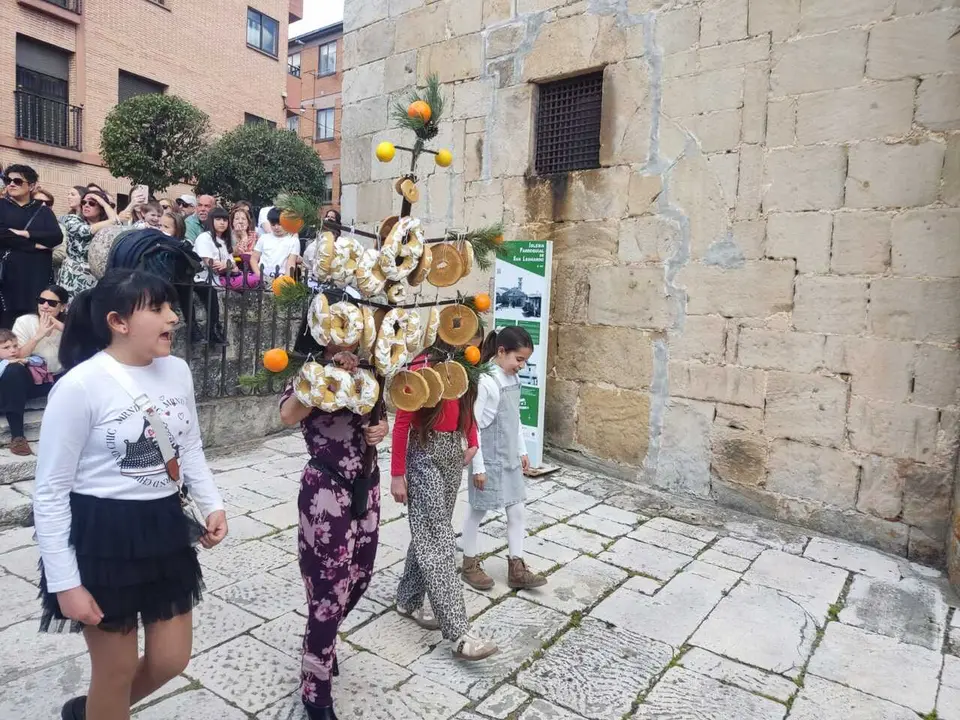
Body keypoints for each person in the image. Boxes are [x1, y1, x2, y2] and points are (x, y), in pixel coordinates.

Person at [33, 269, 228, 720]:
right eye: (158, 309)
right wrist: (66, 583)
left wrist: (211, 502)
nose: (174, 318)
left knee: (170, 660)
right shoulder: (79, 386)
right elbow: (50, 491)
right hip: (102, 537)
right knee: (115, 669)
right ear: (118, 322)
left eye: (171, 307)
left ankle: (94, 712)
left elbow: (190, 446)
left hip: (163, 527)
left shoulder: (176, 370)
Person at [279, 343, 388, 720]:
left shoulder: (372, 372)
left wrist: (380, 429)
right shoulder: (307, 372)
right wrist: (326, 373)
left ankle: (318, 642)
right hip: (325, 489)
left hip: (367, 485)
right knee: (328, 588)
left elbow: (379, 417)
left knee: (359, 577)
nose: (349, 342)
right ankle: (316, 687)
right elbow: (288, 415)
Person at [390, 354, 499, 660]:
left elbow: (468, 407)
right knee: (438, 538)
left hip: (452, 451)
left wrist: (472, 439)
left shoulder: (465, 365)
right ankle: (459, 633)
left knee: (427, 529)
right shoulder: (420, 366)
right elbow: (401, 424)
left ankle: (408, 600)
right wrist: (397, 474)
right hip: (424, 452)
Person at [461, 327, 546, 591]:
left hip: (508, 457)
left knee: (517, 510)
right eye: (518, 359)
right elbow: (472, 426)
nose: (521, 365)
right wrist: (478, 468)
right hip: (486, 459)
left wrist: (522, 450)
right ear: (501, 352)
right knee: (478, 510)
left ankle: (516, 565)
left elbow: (515, 419)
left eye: (525, 360)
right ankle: (469, 563)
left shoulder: (513, 379)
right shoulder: (487, 381)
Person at [0, 165, 63, 329]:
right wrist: (34, 244)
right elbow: (2, 234)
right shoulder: (1, 206)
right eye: (8, 180)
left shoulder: (42, 211)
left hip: (35, 276)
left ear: (32, 185)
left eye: (18, 181)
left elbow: (56, 237)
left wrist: (26, 233)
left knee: (30, 321)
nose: (11, 184)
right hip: (7, 275)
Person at [0, 328, 54, 456]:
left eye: (15, 346)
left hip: (20, 392)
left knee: (14, 370)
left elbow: (41, 361)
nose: (13, 350)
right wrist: (6, 363)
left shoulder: (19, 359)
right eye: (6, 347)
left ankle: (18, 437)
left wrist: (25, 360)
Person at [59, 190, 120, 298]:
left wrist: (104, 202)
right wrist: (112, 220)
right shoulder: (72, 219)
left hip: (97, 278)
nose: (86, 205)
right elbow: (85, 231)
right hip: (73, 276)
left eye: (92, 203)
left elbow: (118, 225)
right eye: (83, 202)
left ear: (101, 208)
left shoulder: (107, 226)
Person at [13, 284, 68, 378]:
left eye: (52, 303)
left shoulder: (68, 324)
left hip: (62, 375)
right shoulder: (24, 321)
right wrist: (39, 335)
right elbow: (17, 355)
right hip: (31, 375)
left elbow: (84, 343)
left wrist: (61, 327)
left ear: (63, 307)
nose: (45, 306)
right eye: (41, 301)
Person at [252, 208, 300, 278]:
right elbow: (253, 259)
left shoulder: (293, 241)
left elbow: (290, 265)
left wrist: (285, 281)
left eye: (280, 224)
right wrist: (259, 276)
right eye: (273, 224)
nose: (276, 227)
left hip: (281, 278)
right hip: (262, 277)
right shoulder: (264, 238)